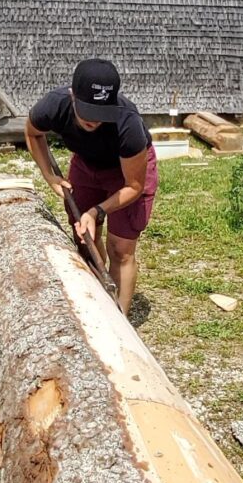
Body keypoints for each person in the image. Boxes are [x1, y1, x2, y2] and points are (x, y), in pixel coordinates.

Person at [25, 58, 158, 316]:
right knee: (85, 238)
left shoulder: (127, 123)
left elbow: (134, 185)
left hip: (127, 174)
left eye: (101, 114)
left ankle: (119, 322)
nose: (94, 121)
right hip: (86, 166)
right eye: (87, 112)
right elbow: (32, 132)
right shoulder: (54, 105)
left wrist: (97, 210)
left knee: (121, 248)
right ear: (73, 96)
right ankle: (95, 303)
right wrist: (48, 174)